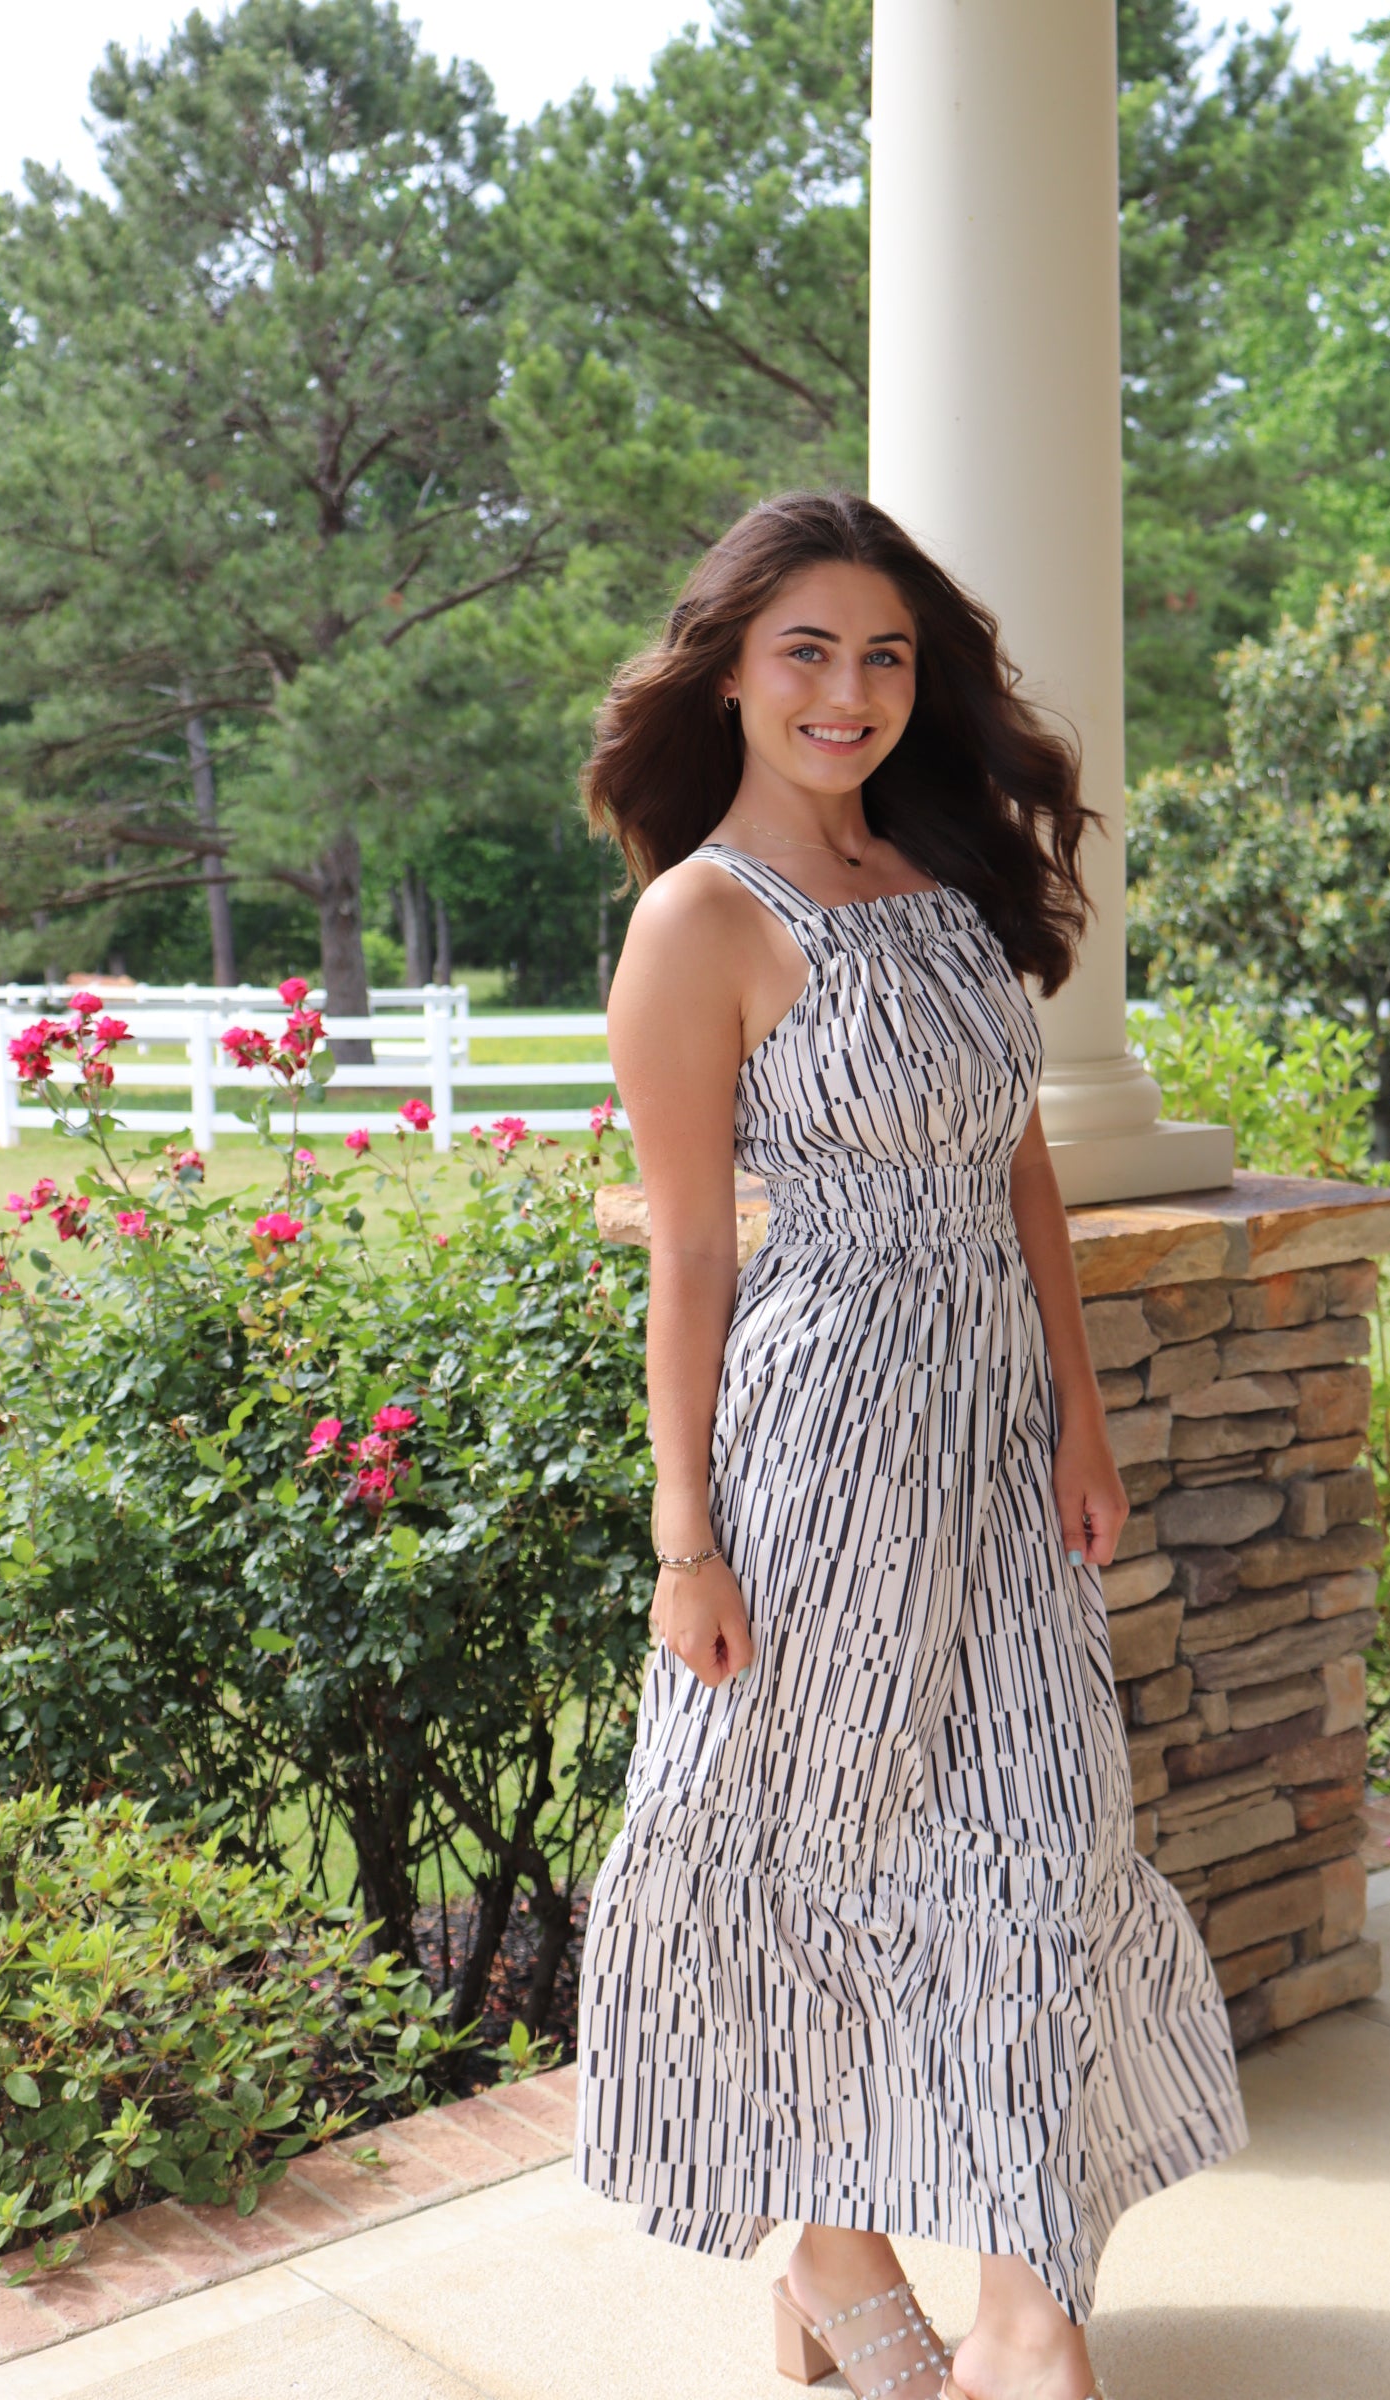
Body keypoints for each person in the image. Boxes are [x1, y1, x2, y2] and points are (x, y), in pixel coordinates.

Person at [575, 491, 1245, 2400]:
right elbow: (693, 1255)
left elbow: (1020, 1166)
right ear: (727, 670)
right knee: (811, 1844)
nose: (850, 691)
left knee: (1045, 1844)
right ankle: (838, 2248)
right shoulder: (699, 919)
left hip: (1000, 1445)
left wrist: (1084, 1415)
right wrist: (685, 1542)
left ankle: (1030, 2296)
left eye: (885, 654)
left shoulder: (940, 891)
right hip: (824, 1442)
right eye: (808, 651)